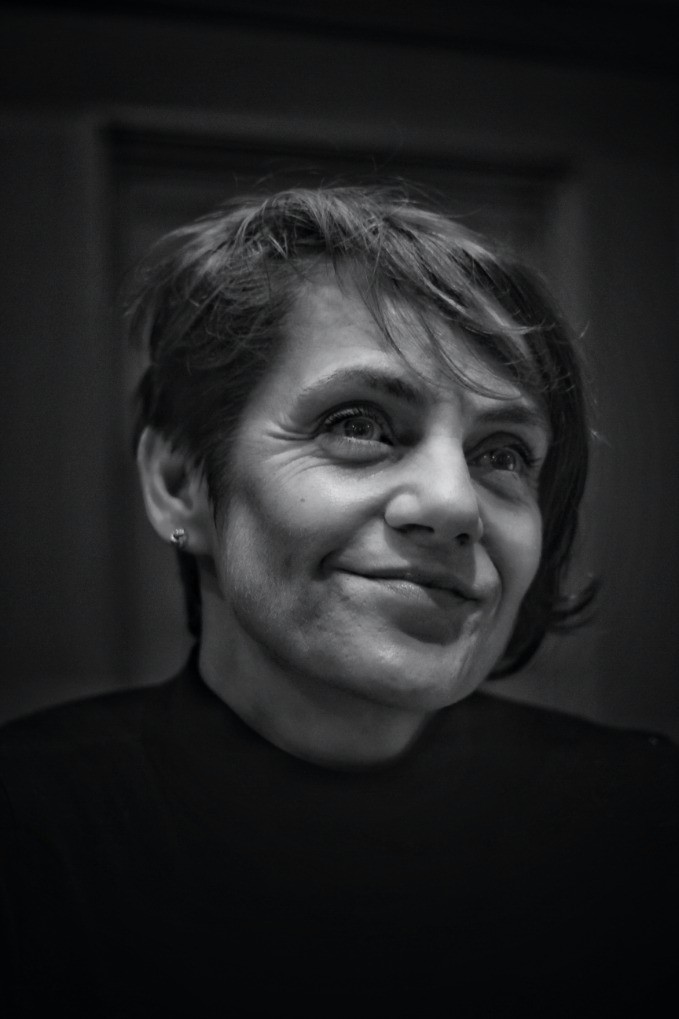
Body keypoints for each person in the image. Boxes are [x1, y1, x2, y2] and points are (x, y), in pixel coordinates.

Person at [0, 185, 676, 1017]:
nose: (454, 503)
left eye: (502, 453)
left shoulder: (640, 822)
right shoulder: (31, 832)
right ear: (180, 483)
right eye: (358, 424)